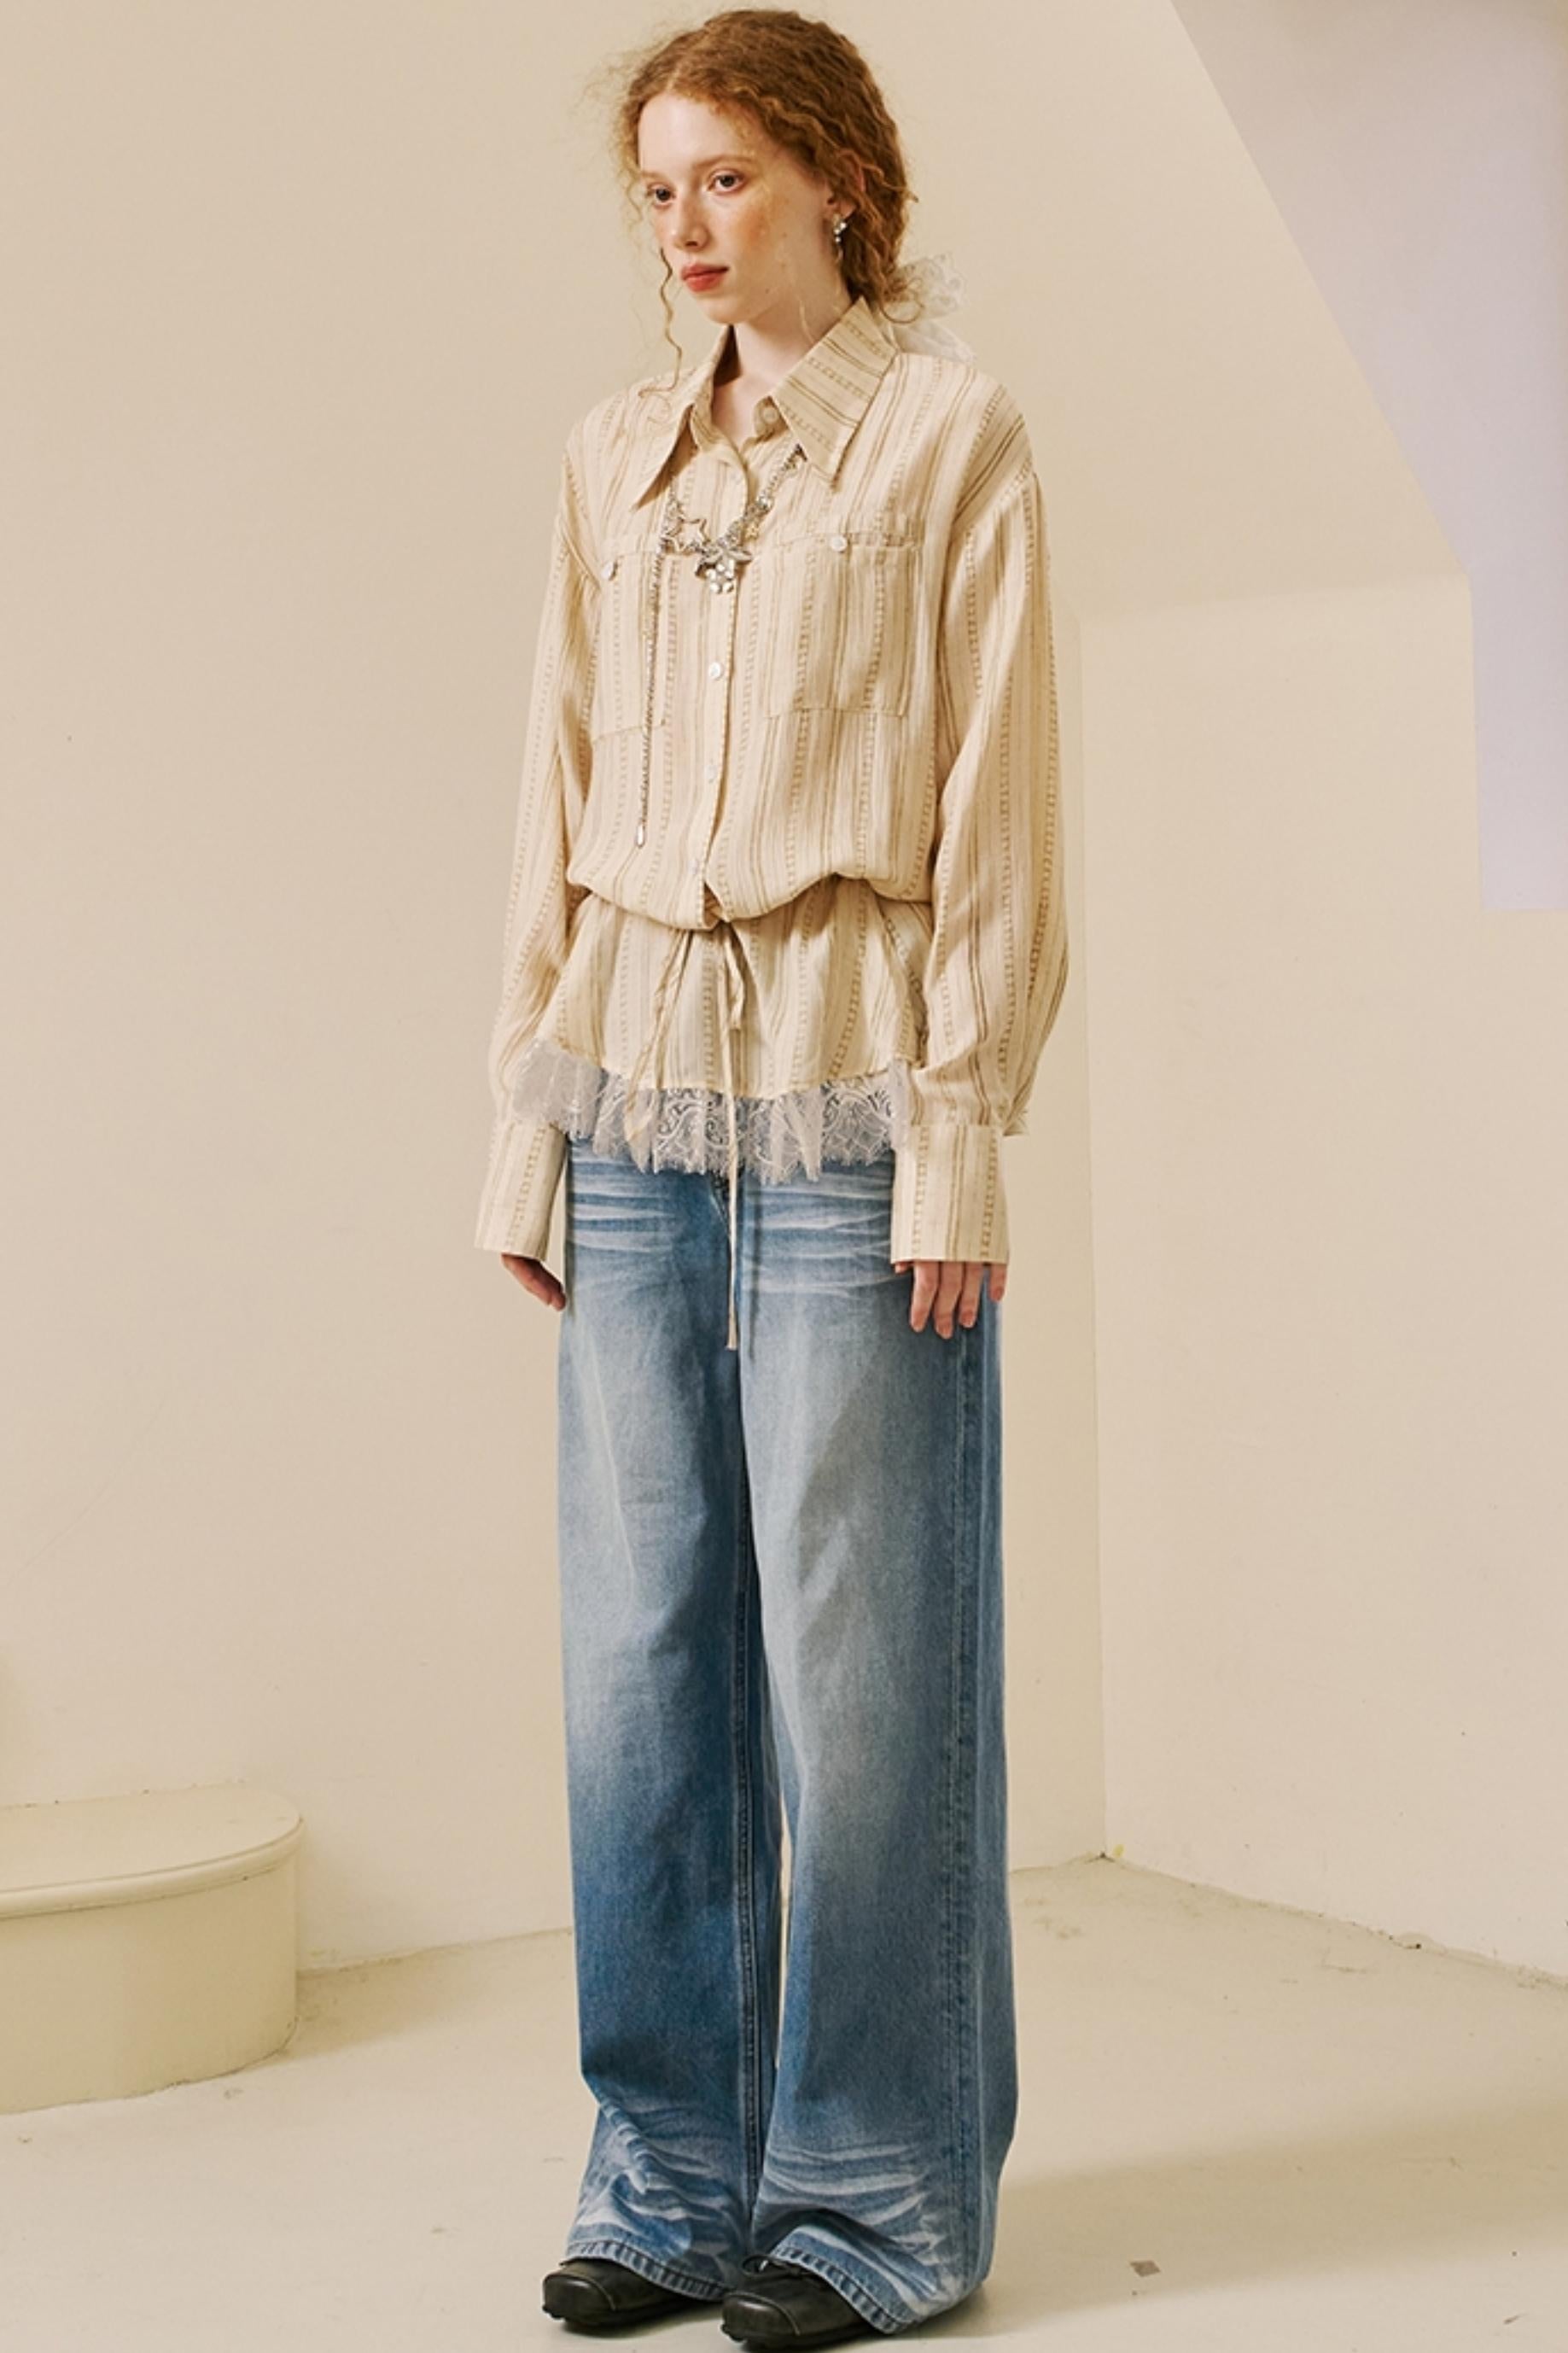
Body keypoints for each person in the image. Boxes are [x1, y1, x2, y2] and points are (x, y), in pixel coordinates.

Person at [473, 10, 1069, 2344]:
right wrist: (523, 1123)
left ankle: (879, 2195)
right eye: (657, 190)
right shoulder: (612, 457)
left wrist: (961, 1133)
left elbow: (1000, 805)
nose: (686, 228)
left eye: (724, 176)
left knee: (863, 1660)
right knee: (644, 1660)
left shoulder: (950, 438)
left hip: (850, 1099)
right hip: (631, 1092)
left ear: (839, 179)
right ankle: (665, 2173)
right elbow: (553, 792)